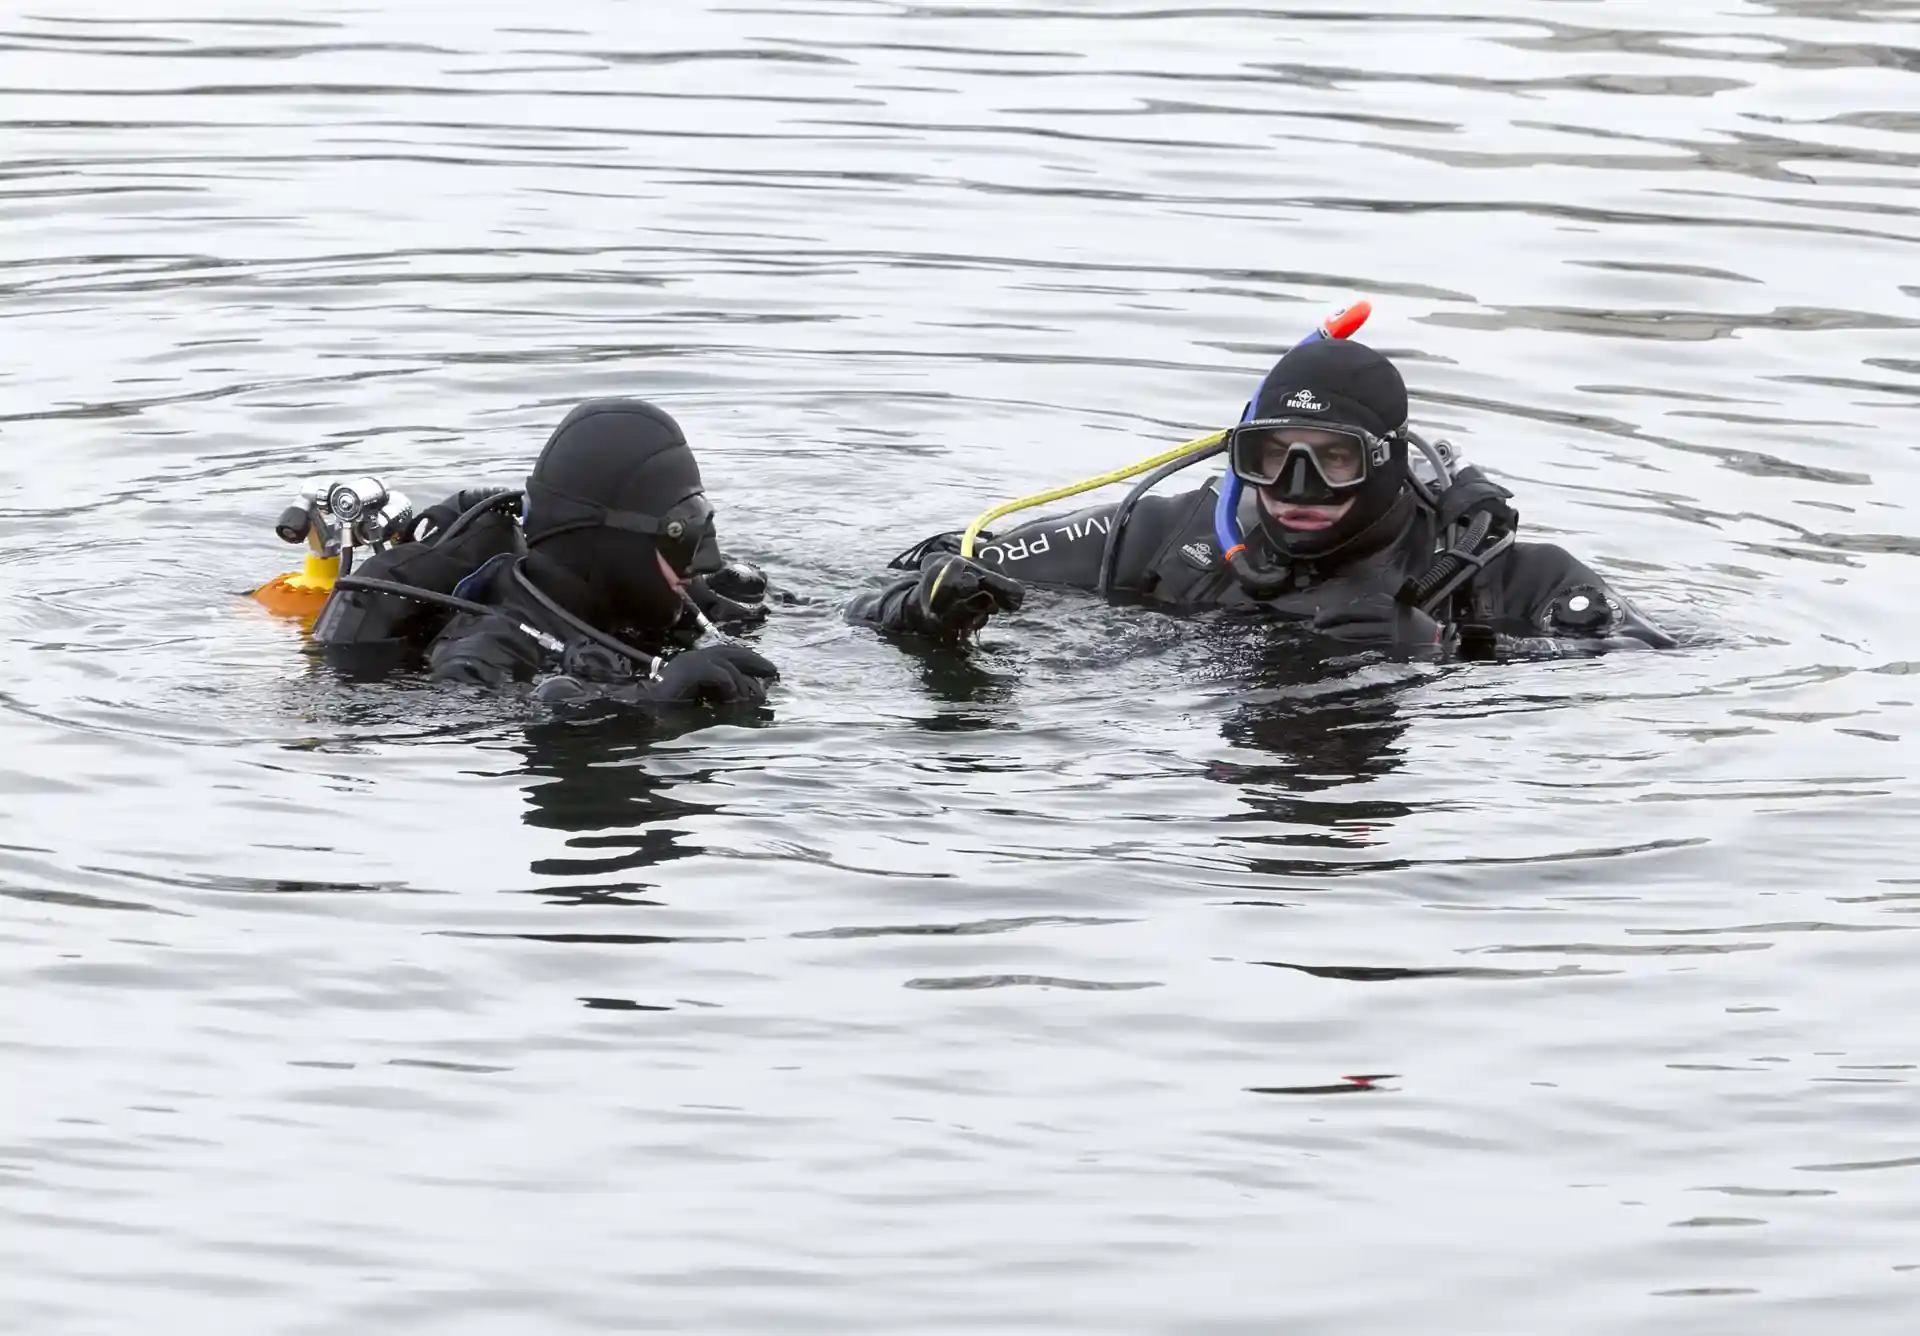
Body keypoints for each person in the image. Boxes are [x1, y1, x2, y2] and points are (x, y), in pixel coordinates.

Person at [848, 337, 1674, 656]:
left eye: (1333, 462)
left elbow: (1653, 669)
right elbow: (932, 565)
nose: (1296, 490)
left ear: (1387, 464)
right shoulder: (1169, 536)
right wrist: (921, 611)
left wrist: (1447, 657)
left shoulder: (1505, 577)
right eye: (1271, 458)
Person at [310, 397, 780, 708]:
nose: (705, 561)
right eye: (682, 535)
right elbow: (463, 711)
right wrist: (652, 699)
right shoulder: (490, 646)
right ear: (616, 547)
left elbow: (749, 614)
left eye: (701, 526)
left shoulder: (653, 592)